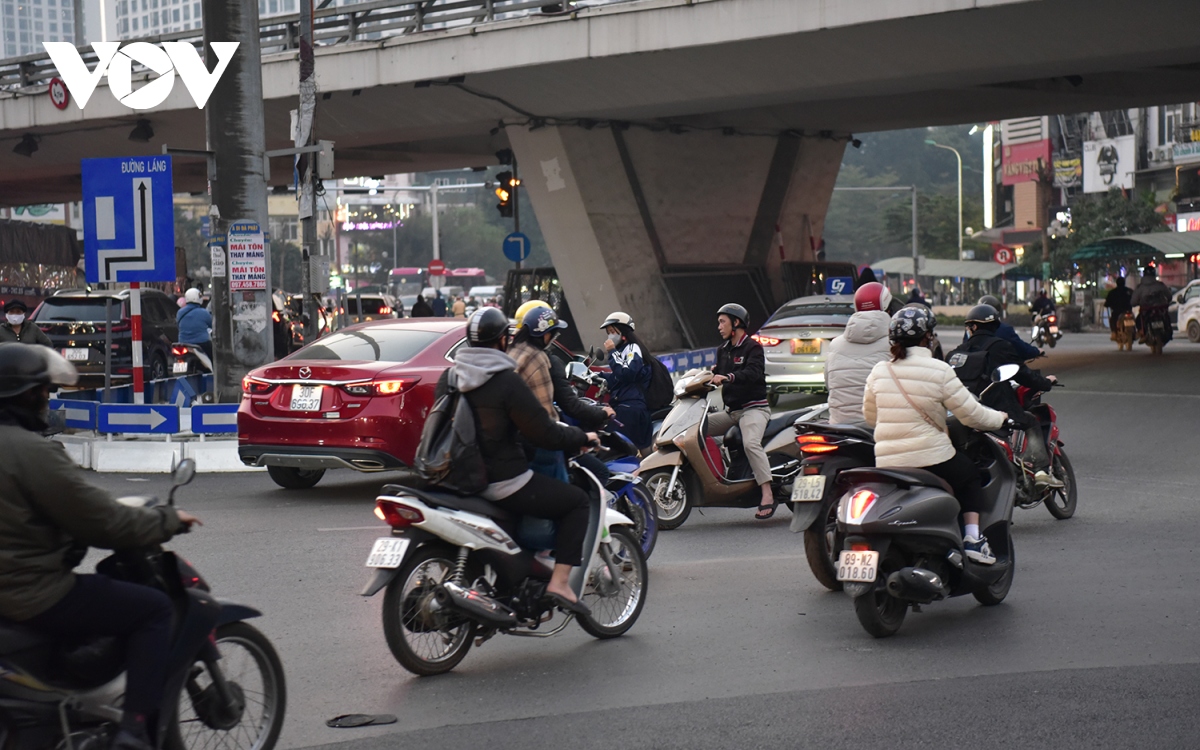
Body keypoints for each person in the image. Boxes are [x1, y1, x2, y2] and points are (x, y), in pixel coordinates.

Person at [0, 343, 201, 750]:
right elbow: (102, 522)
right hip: (31, 595)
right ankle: (135, 730)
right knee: (153, 609)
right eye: (42, 390)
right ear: (25, 395)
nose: (47, 398)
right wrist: (165, 520)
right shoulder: (32, 453)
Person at [438, 308, 597, 614]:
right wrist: (582, 436)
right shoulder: (506, 382)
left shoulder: (450, 376)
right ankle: (560, 583)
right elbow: (544, 432)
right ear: (502, 340)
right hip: (501, 481)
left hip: (453, 478)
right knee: (576, 502)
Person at [863, 307, 1008, 564]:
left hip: (887, 461)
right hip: (930, 458)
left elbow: (871, 418)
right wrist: (1000, 417)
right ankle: (973, 538)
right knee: (969, 476)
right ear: (928, 337)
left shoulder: (879, 370)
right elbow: (971, 415)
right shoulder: (939, 370)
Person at [951, 304, 1061, 488]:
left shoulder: (956, 353)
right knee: (1031, 421)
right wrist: (1046, 382)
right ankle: (1041, 471)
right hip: (997, 407)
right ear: (994, 326)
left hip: (963, 410)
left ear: (973, 327)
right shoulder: (1000, 346)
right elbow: (1024, 375)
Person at [706, 303, 775, 519]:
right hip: (732, 412)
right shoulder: (722, 350)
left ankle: (767, 494)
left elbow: (752, 373)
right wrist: (711, 375)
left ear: (736, 323)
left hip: (754, 409)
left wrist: (728, 377)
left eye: (722, 322)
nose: (719, 326)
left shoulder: (753, 348)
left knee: (750, 443)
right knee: (697, 429)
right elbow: (719, 373)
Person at [824, 282, 893, 427]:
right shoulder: (894, 345)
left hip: (839, 426)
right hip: (881, 426)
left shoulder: (835, 345)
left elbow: (829, 384)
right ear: (887, 308)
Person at [600, 312, 653, 451]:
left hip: (631, 408)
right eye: (608, 332)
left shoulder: (632, 348)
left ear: (623, 332)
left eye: (613, 331)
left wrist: (612, 352)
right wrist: (595, 375)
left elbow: (628, 373)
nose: (610, 336)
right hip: (621, 404)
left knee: (614, 447)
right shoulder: (621, 351)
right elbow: (617, 379)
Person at [961, 295, 1041, 361]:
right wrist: (1036, 351)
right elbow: (1021, 349)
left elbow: (963, 349)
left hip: (973, 373)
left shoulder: (971, 329)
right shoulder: (1004, 329)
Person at [1131, 266, 1173, 343]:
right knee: (1166, 317)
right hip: (1161, 308)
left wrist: (1136, 303)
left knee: (1139, 320)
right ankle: (1168, 330)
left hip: (1146, 310)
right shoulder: (1160, 285)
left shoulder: (1140, 287)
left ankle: (1142, 333)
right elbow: (1169, 296)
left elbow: (1133, 301)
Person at [175, 288, 213, 360]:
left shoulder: (179, 312)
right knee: (213, 359)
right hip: (202, 343)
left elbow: (178, 326)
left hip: (183, 343)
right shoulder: (204, 312)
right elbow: (212, 325)